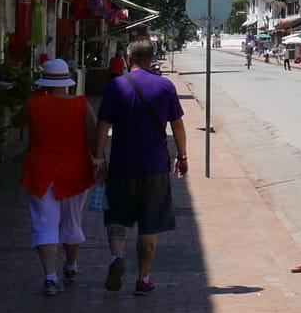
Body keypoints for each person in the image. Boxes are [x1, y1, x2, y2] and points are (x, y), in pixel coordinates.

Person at [93, 39, 190, 295]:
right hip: (155, 167)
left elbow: (102, 127)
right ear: (152, 58)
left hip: (122, 165)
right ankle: (144, 279)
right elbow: (177, 126)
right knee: (149, 225)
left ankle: (117, 259)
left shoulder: (115, 86)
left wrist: (98, 160)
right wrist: (182, 156)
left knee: (117, 217)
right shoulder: (165, 86)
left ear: (128, 58)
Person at [16, 58, 96, 296]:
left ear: (44, 81)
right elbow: (93, 139)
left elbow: (15, 121)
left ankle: (50, 277)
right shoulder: (82, 105)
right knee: (72, 221)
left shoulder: (34, 104)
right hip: (76, 171)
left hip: (41, 171)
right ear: (68, 81)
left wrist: (36, 96)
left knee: (44, 222)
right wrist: (101, 164)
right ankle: (70, 266)